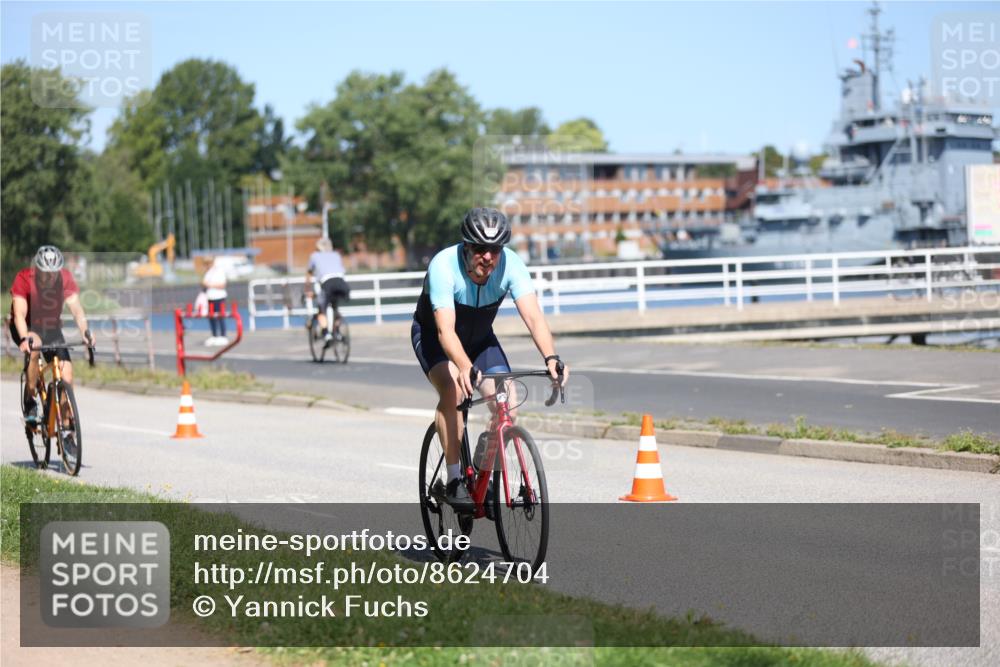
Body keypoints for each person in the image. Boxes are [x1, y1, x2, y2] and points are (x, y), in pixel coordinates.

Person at [411, 207, 568, 510]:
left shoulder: (512, 266)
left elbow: (534, 319)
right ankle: (455, 477)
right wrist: (465, 367)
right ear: (466, 246)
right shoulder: (443, 266)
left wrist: (551, 357)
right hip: (435, 338)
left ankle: (484, 477)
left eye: (494, 250)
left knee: (505, 400)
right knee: (453, 390)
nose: (488, 257)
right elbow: (445, 331)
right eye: (480, 249)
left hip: (480, 340)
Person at [8, 245, 94, 425]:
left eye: (54, 272)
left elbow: (77, 310)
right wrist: (25, 338)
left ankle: (67, 430)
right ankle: (30, 397)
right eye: (46, 273)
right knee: (34, 348)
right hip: (26, 326)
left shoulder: (64, 278)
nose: (51, 277)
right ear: (37, 269)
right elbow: (19, 314)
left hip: (51, 328)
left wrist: (85, 332)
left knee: (67, 376)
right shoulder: (24, 278)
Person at [305, 238, 350, 342]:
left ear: (318, 248)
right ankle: (337, 332)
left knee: (321, 310)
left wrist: (307, 289)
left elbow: (309, 273)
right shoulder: (336, 255)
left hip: (327, 283)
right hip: (341, 282)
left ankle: (326, 333)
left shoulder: (314, 256)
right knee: (335, 307)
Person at [201, 257, 228, 346]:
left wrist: (210, 285)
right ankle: (214, 335)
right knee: (211, 317)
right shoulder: (208, 273)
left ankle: (223, 336)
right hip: (210, 297)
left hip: (219, 297)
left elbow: (222, 285)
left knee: (220, 316)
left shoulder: (219, 271)